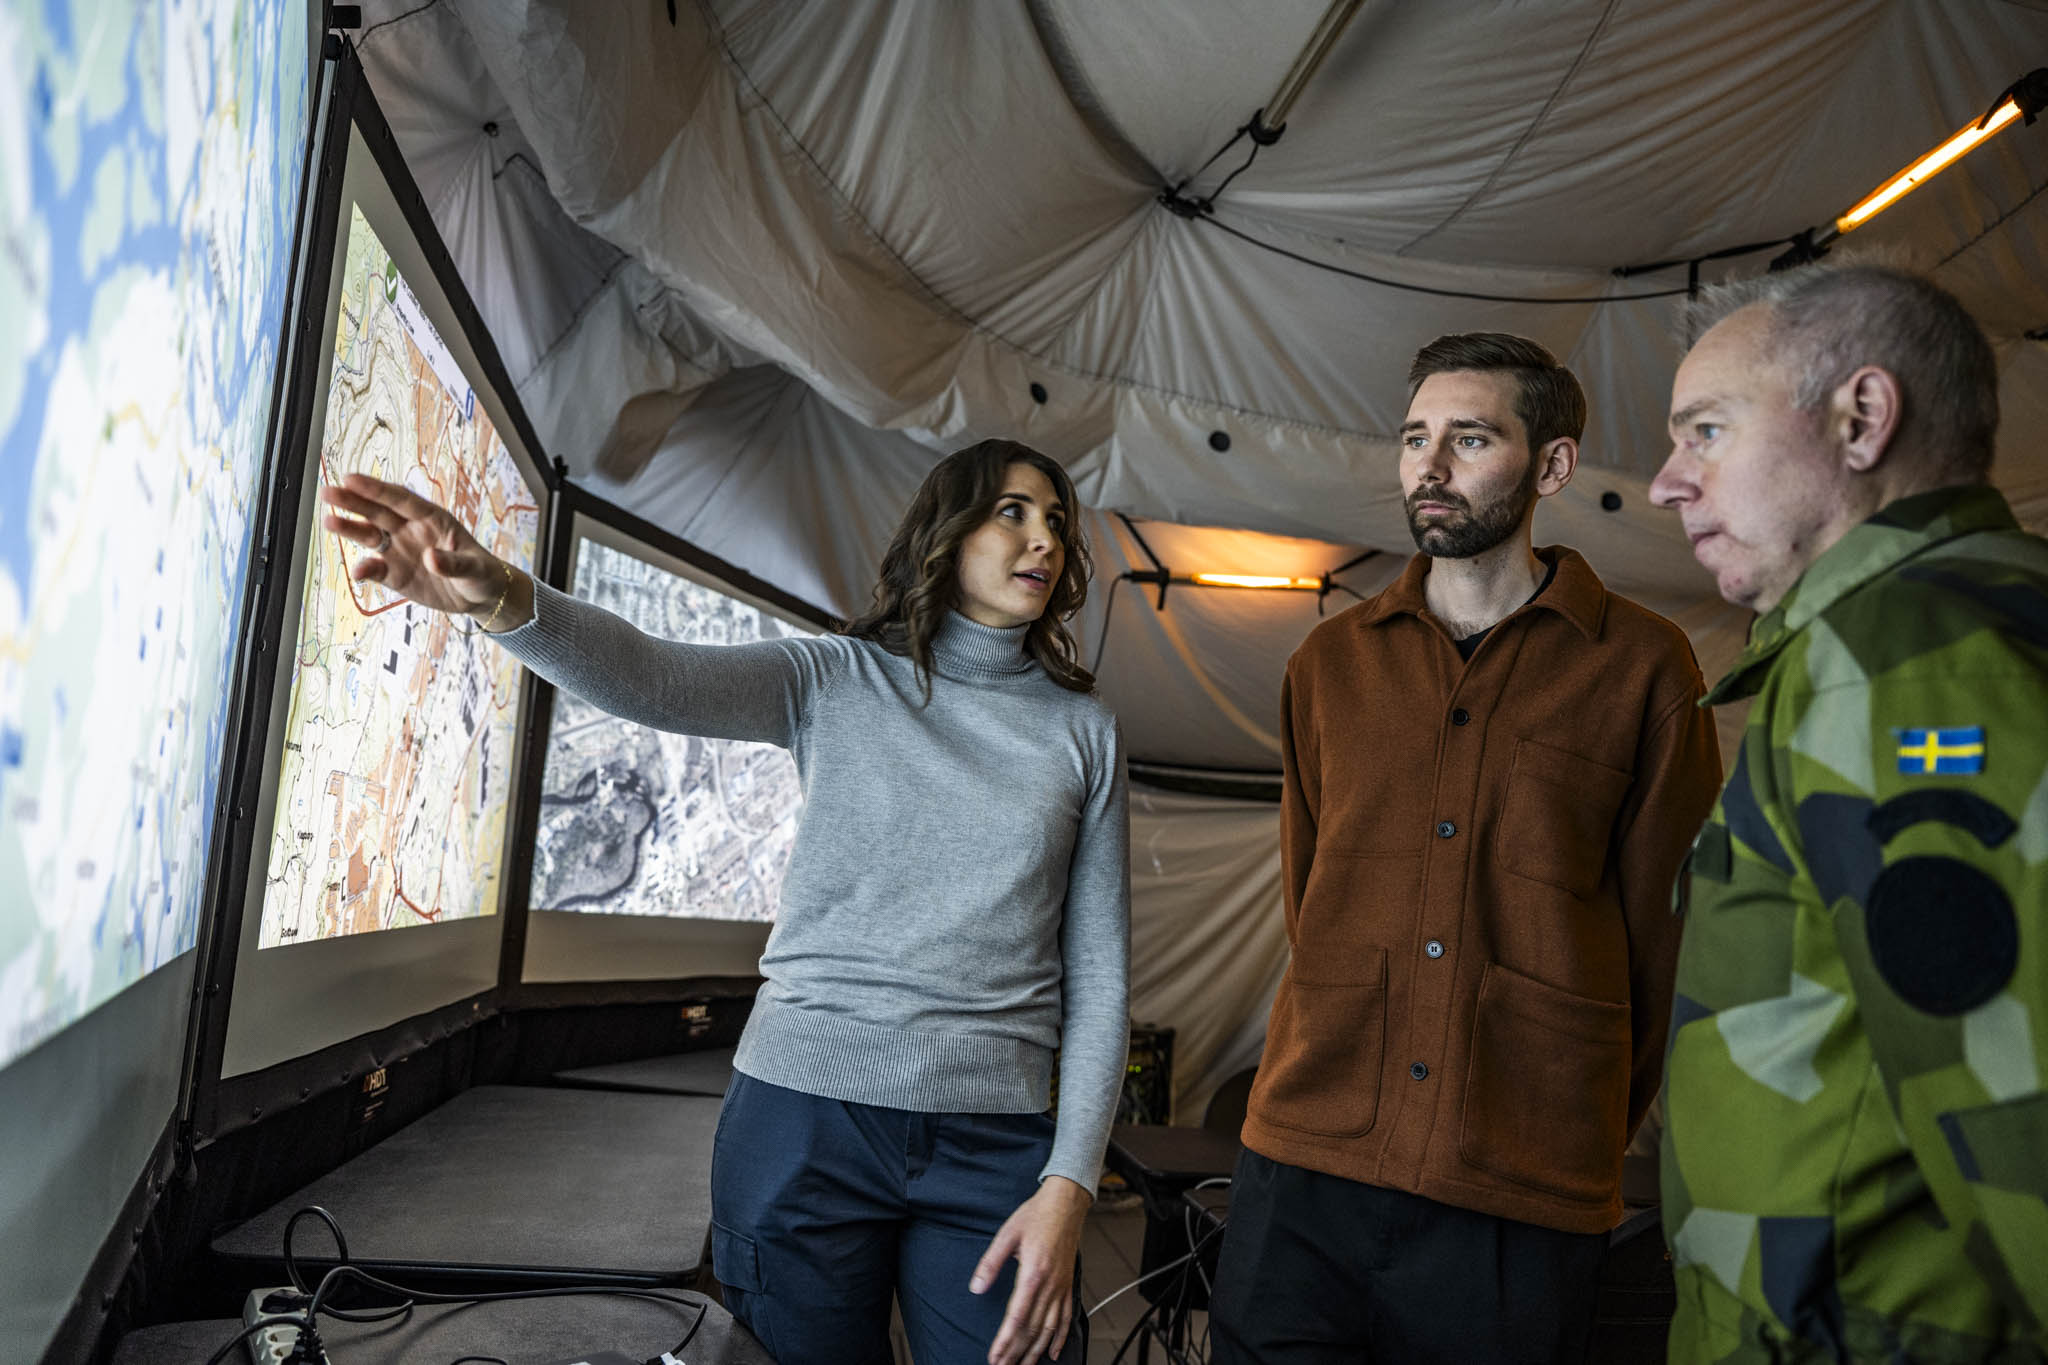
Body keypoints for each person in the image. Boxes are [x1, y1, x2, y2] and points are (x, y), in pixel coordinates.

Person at [320, 439, 1129, 1365]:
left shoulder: (1084, 731)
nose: (1043, 539)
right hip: (801, 1122)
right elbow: (654, 674)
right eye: (1012, 512)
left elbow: (1101, 981)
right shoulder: (835, 677)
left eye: (1057, 520)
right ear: (949, 531)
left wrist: (1072, 1183)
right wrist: (498, 595)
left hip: (995, 1145)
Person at [1210, 333, 1724, 1364]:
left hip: (1519, 1184)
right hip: (1306, 1170)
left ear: (1552, 465)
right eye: (1414, 439)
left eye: (1470, 439)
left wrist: (1567, 1117)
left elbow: (1663, 941)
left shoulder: (1642, 668)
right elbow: (1311, 897)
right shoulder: (1329, 664)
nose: (1429, 467)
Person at [1649, 263, 2047, 1362]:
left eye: (1706, 432)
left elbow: (2020, 1096)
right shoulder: (1946, 624)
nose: (1666, 483)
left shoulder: (1907, 657)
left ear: (1860, 418)